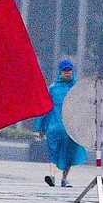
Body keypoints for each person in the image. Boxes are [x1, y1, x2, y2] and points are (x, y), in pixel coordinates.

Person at [37, 58, 85, 187]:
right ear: (60, 72)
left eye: (69, 70)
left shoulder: (77, 89)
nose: (67, 73)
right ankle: (51, 176)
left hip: (70, 127)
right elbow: (45, 108)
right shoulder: (52, 89)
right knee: (53, 150)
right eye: (64, 70)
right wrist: (41, 126)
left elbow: (82, 108)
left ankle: (64, 178)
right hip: (54, 126)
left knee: (69, 152)